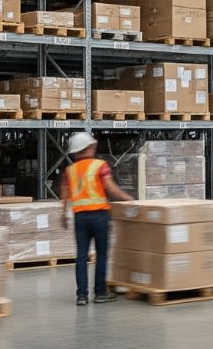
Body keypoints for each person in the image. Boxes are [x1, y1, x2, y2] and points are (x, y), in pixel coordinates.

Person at [58, 131, 132, 307]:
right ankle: (100, 293)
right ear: (89, 148)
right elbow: (110, 187)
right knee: (102, 255)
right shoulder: (100, 166)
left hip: (80, 217)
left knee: (81, 257)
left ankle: (81, 296)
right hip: (99, 216)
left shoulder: (70, 170)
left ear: (75, 152)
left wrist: (63, 214)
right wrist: (128, 199)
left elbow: (65, 195)